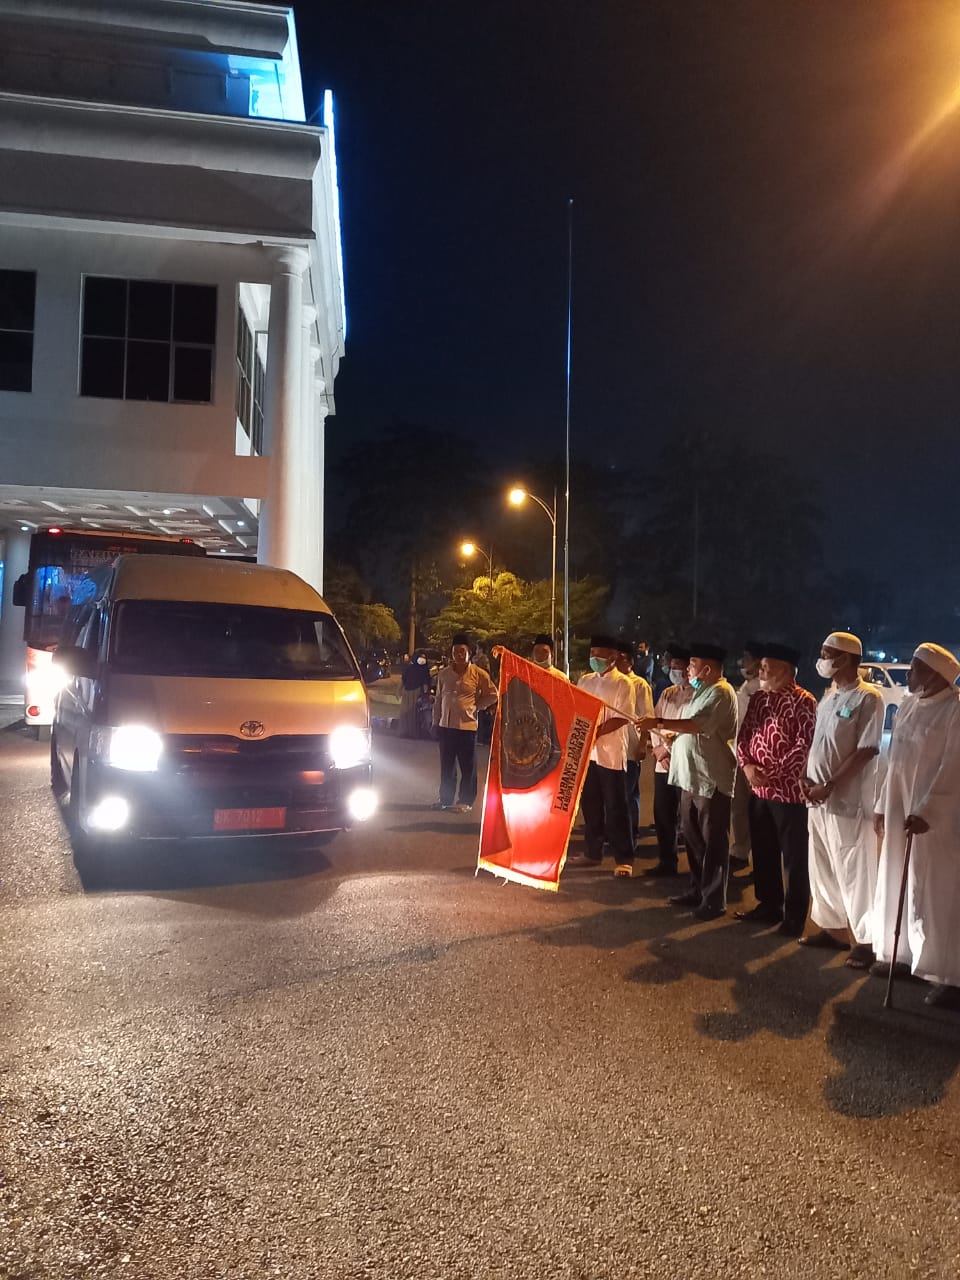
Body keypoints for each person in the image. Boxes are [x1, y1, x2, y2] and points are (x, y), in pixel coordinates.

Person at [871, 643, 960, 1009]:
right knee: (897, 878)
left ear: (936, 675)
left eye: (915, 669)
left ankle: (947, 974)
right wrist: (882, 804)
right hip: (900, 811)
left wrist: (929, 811)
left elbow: (954, 767)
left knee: (935, 892)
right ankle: (903, 954)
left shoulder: (954, 711)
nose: (908, 675)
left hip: (936, 821)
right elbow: (893, 761)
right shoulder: (908, 705)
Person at [799, 631, 884, 968]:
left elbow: (866, 750)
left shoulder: (868, 698)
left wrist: (830, 785)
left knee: (854, 871)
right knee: (822, 866)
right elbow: (818, 744)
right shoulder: (829, 698)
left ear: (846, 658)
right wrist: (806, 777)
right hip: (817, 799)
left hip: (846, 802)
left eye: (826, 653)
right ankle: (833, 929)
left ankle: (865, 940)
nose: (821, 659)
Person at [639, 642, 738, 919]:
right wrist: (669, 738)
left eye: (692, 665)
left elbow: (697, 725)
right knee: (694, 840)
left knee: (713, 842)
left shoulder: (721, 692)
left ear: (707, 668)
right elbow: (688, 729)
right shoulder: (701, 692)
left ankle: (714, 900)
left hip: (710, 779)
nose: (687, 670)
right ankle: (697, 890)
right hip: (690, 777)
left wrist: (658, 723)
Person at [735, 643, 817, 936]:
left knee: (794, 857)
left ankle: (794, 916)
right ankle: (769, 904)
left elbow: (803, 746)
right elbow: (744, 735)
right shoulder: (759, 699)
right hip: (759, 791)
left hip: (788, 793)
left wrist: (771, 774)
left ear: (784, 670)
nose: (760, 671)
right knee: (763, 850)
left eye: (766, 668)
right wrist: (747, 765)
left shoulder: (804, 701)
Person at [568, 634, 637, 877]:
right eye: (592, 653)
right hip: (589, 754)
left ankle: (624, 858)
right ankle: (592, 852)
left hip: (611, 753)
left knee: (616, 805)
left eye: (599, 654)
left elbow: (623, 716)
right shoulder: (586, 680)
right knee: (591, 804)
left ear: (613, 656)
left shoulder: (623, 683)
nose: (594, 658)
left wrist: (595, 732)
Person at [431, 633, 498, 812]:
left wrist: (476, 706)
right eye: (455, 652)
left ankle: (466, 801)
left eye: (462, 651)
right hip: (446, 726)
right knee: (447, 766)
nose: (459, 655)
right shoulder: (444, 674)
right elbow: (438, 700)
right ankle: (445, 799)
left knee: (468, 766)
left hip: (467, 727)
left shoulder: (478, 674)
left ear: (469, 652)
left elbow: (493, 694)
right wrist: (435, 721)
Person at [645, 645, 693, 878]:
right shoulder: (667, 693)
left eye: (679, 667)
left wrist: (669, 750)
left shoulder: (698, 696)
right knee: (663, 814)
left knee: (688, 818)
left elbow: (690, 728)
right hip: (663, 764)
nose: (674, 671)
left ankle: (695, 869)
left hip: (684, 763)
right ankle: (667, 860)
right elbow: (655, 722)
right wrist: (658, 750)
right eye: (672, 666)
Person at [615, 639, 654, 850]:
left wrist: (642, 744)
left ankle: (632, 834)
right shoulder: (612, 682)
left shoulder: (639, 685)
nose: (615, 662)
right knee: (615, 795)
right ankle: (616, 834)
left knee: (629, 794)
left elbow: (647, 716)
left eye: (619, 658)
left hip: (630, 747)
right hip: (611, 750)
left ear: (629, 661)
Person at [730, 641, 764, 871]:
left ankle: (759, 856)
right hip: (739, 754)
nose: (743, 662)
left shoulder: (763, 688)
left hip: (756, 758)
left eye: (747, 658)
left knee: (758, 810)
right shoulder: (746, 686)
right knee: (739, 807)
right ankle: (740, 851)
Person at [398, 649, 432, 738]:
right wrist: (398, 690)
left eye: (424, 657)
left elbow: (426, 682)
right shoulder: (409, 668)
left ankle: (413, 733)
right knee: (405, 713)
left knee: (414, 714)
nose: (422, 659)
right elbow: (403, 680)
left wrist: (425, 693)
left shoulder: (425, 670)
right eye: (420, 657)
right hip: (407, 693)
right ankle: (404, 732)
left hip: (417, 693)